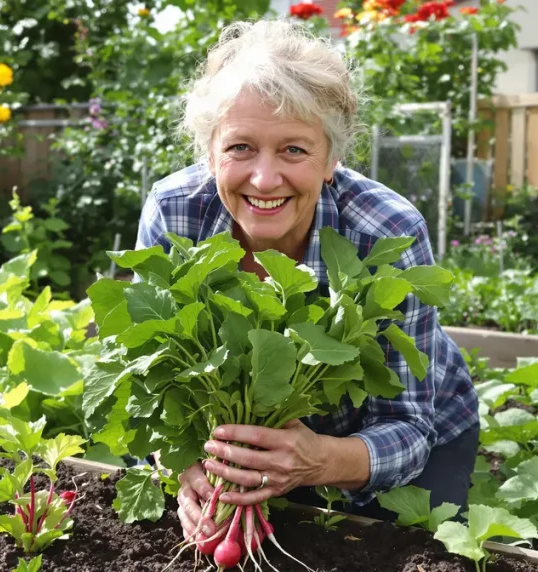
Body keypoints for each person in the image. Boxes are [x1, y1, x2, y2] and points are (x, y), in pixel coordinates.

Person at [133, 19, 480, 541]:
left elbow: (409, 427)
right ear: (210, 153)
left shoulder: (385, 229)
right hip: (247, 448)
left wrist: (317, 460)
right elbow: (151, 382)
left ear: (331, 159)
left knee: (399, 540)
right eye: (240, 148)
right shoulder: (175, 212)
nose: (265, 179)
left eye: (294, 150)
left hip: (384, 440)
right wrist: (186, 466)